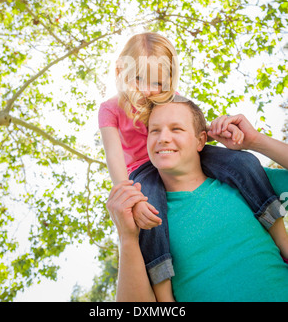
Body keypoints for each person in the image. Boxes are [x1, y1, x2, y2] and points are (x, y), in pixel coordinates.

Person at [99, 32, 288, 301]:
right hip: (140, 173)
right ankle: (165, 297)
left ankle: (282, 239)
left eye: (157, 82)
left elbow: (194, 126)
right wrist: (130, 199)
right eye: (139, 79)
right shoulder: (110, 109)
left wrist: (249, 140)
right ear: (121, 71)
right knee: (152, 220)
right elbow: (114, 158)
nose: (149, 90)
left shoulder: (170, 99)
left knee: (243, 161)